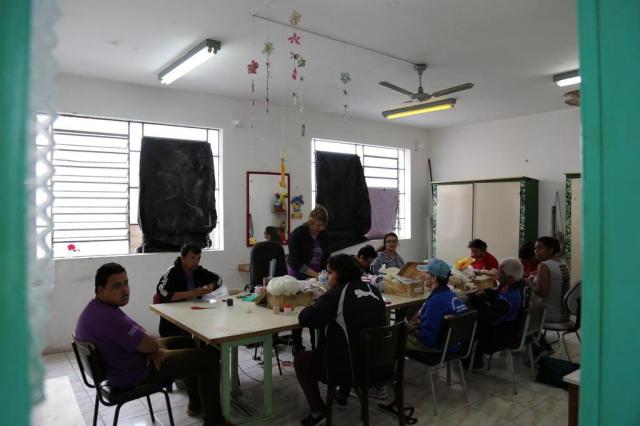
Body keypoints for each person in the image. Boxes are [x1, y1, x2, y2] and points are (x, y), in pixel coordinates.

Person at [75, 263, 228, 426]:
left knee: (187, 341)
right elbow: (149, 344)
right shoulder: (110, 318)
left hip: (123, 366)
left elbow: (139, 332)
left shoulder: (97, 309)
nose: (125, 290)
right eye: (116, 286)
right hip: (134, 373)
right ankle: (215, 421)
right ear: (100, 290)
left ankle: (195, 404)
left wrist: (151, 347)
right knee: (209, 358)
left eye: (126, 283)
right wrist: (153, 349)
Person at [294, 254, 387, 426]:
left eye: (329, 272)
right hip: (378, 362)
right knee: (348, 340)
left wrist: (312, 304)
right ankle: (343, 395)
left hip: (351, 366)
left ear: (337, 274)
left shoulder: (336, 294)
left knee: (301, 361)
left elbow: (307, 319)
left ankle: (318, 411)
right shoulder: (372, 290)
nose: (327, 276)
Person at [466, 258, 526, 368]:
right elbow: (498, 296)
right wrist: (484, 291)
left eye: (501, 271)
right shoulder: (516, 286)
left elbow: (488, 316)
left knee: (471, 322)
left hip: (500, 335)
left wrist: (475, 298)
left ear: (510, 278)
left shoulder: (509, 298)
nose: (497, 272)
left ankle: (472, 360)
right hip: (508, 328)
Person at [287, 205, 331, 354]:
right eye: (318, 225)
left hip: (318, 276)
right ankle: (297, 344)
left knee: (316, 309)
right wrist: (315, 275)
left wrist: (326, 271)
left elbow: (326, 257)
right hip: (298, 276)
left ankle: (316, 343)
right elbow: (294, 261)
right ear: (311, 220)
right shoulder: (297, 234)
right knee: (298, 310)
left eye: (323, 226)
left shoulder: (324, 235)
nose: (320, 228)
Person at [156, 243, 221, 337]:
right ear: (182, 258)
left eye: (198, 258)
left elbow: (218, 279)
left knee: (215, 339)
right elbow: (163, 294)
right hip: (174, 324)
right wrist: (191, 293)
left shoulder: (199, 271)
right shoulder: (172, 272)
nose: (196, 262)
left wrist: (212, 286)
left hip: (196, 319)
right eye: (192, 258)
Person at [406, 258, 468, 352]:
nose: (424, 275)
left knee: (398, 339)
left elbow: (427, 339)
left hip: (440, 348)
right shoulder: (451, 295)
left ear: (434, 278)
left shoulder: (436, 301)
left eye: (427, 273)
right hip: (455, 344)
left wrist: (414, 331)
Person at [532, 236, 570, 324]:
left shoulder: (543, 265)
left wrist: (529, 283)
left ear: (551, 250)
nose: (536, 251)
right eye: (535, 248)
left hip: (548, 312)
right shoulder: (562, 264)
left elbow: (543, 293)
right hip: (564, 313)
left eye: (539, 248)